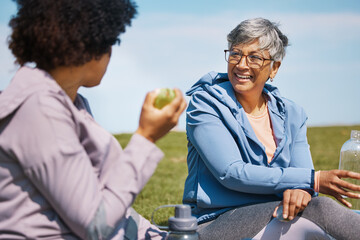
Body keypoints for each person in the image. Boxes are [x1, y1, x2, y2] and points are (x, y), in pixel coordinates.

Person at [0, 0, 186, 239]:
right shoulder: (39, 109)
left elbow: (108, 200)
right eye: (111, 43)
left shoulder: (72, 104)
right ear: (90, 46)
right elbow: (96, 224)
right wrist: (146, 137)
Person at [183, 17, 360, 239]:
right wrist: (312, 181)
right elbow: (231, 172)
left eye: (254, 57)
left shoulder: (292, 114)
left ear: (274, 67)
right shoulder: (205, 104)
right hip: (216, 220)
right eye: (236, 54)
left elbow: (301, 173)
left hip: (278, 213)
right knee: (321, 210)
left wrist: (301, 191)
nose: (241, 64)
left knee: (319, 227)